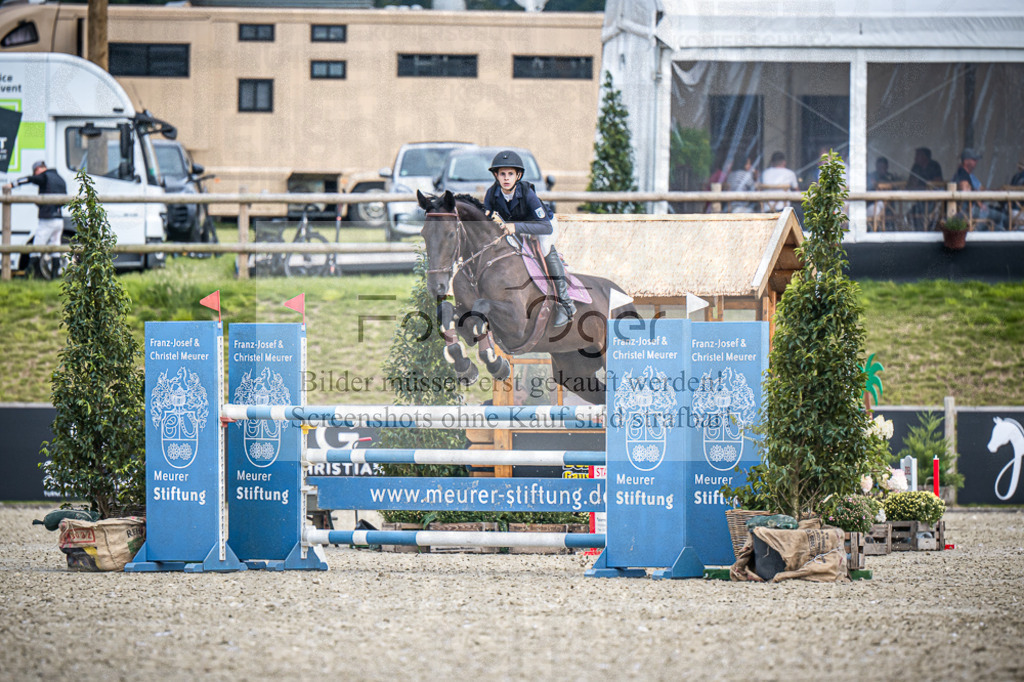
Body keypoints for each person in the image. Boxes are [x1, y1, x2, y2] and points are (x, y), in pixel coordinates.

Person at [483, 149, 575, 328]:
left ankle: (565, 304)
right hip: (516, 229)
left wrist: (515, 227)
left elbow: (545, 227)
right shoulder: (492, 193)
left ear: (518, 175)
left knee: (545, 247)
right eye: (502, 174)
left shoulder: (527, 194)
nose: (506, 178)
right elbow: (485, 217)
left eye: (510, 174)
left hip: (543, 226)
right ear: (496, 175)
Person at [4, 160, 67, 271]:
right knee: (56, 246)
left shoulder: (44, 176)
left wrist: (13, 184)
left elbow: (29, 179)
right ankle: (54, 274)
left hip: (47, 218)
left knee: (37, 246)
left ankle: (30, 273)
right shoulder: (60, 179)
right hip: (59, 218)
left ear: (37, 169)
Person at [952, 148, 1007, 229]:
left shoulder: (967, 174)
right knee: (1004, 218)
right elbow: (965, 191)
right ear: (966, 161)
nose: (976, 161)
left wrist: (995, 190)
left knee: (997, 216)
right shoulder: (962, 173)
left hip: (972, 209)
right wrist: (980, 204)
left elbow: (981, 189)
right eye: (974, 159)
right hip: (969, 211)